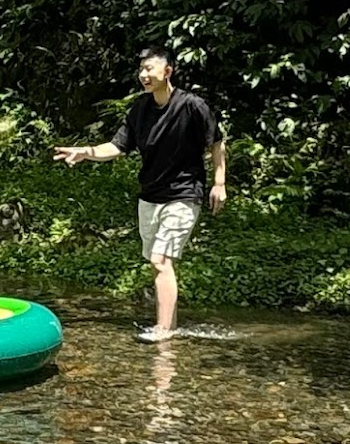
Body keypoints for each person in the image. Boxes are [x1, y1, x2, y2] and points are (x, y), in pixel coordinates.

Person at [53, 45, 227, 341]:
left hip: (184, 193)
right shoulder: (140, 109)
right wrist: (87, 152)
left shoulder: (192, 106)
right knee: (157, 262)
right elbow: (117, 147)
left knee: (160, 260)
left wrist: (219, 182)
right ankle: (169, 325)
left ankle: (163, 330)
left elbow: (217, 142)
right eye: (141, 70)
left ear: (167, 72)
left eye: (150, 69)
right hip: (150, 195)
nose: (143, 75)